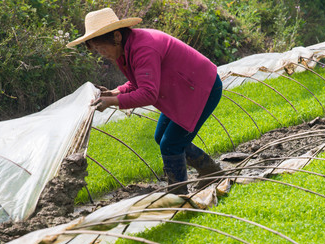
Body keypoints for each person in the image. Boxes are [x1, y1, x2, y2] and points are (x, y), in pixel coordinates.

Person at [67, 8, 222, 194]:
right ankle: (210, 171)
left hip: (201, 88)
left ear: (116, 36)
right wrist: (115, 92)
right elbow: (137, 81)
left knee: (171, 143)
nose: (102, 54)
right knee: (162, 137)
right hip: (182, 89)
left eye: (102, 48)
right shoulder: (125, 49)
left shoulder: (143, 48)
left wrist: (113, 101)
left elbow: (149, 93)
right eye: (97, 51)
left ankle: (178, 194)